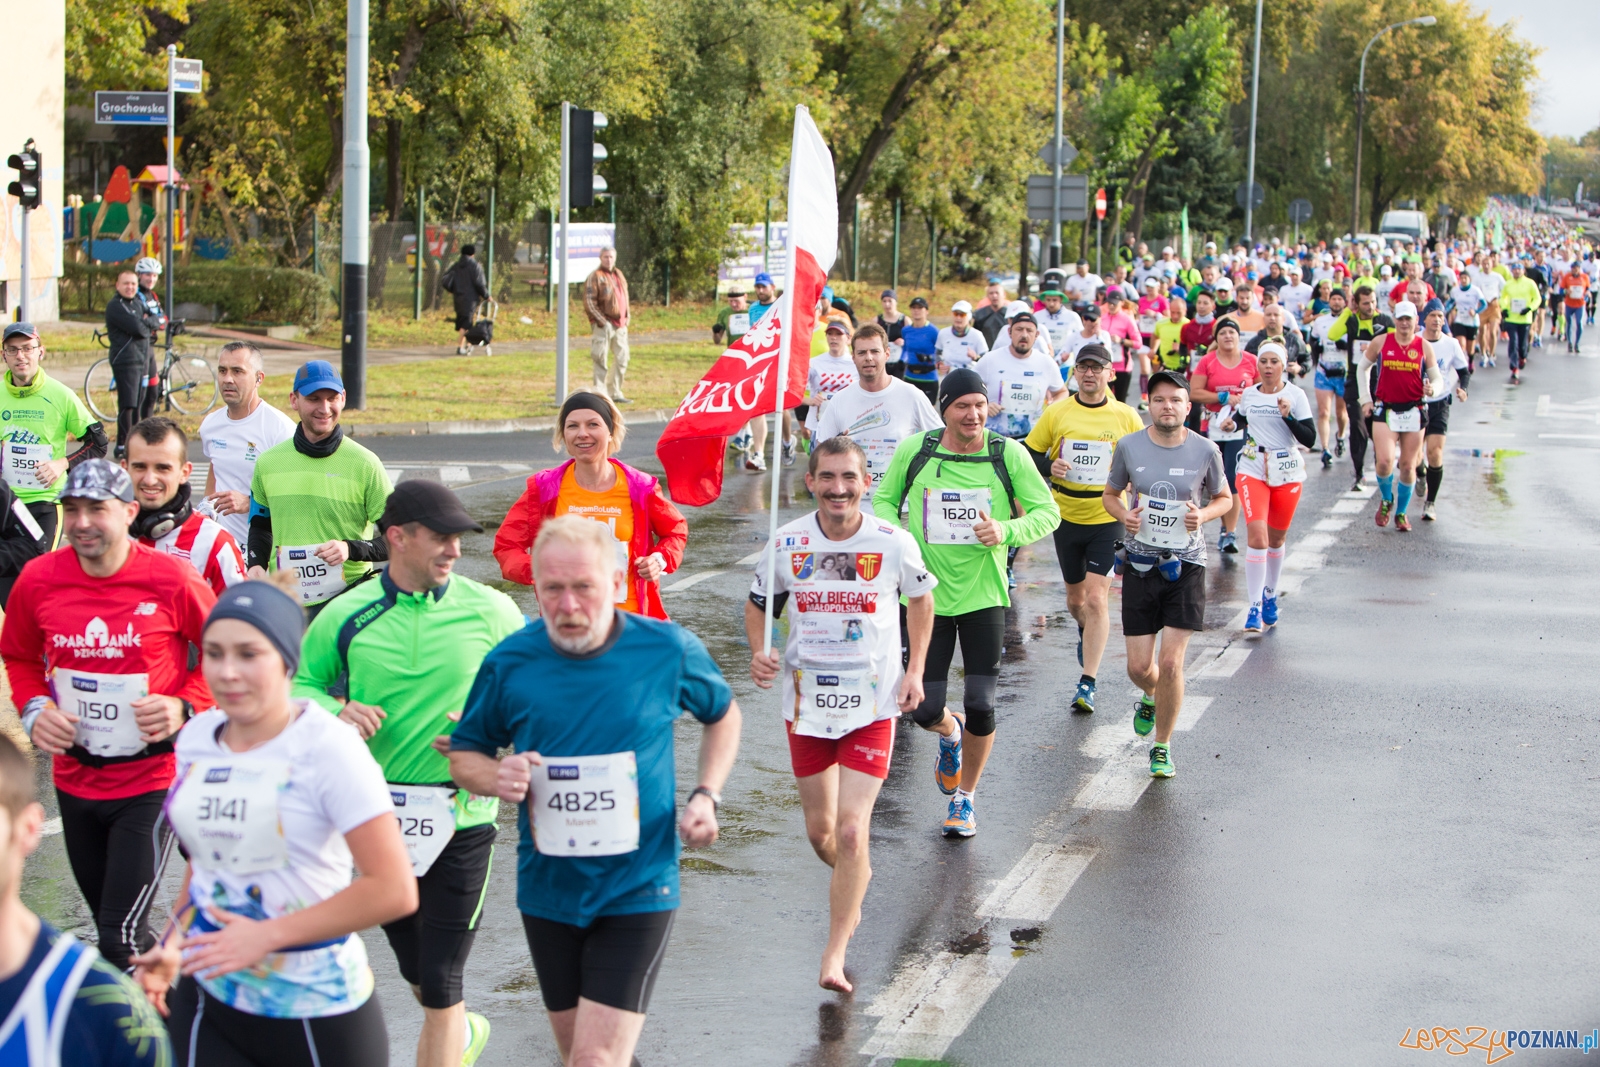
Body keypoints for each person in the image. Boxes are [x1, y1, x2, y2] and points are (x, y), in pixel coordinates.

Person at [449, 517, 741, 1067]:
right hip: (548, 889)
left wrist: (707, 795)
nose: (567, 603)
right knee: (579, 1055)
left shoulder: (664, 650)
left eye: (583, 586)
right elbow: (466, 754)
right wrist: (497, 776)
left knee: (593, 1059)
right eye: (552, 588)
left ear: (616, 583)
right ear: (534, 587)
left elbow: (723, 716)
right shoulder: (512, 661)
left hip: (638, 884)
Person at [130, 581, 417, 1066]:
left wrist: (266, 935)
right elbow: (207, 861)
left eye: (248, 654)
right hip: (210, 993)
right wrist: (171, 945)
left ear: (287, 660)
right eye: (215, 653)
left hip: (313, 1005)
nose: (227, 672)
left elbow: (393, 889)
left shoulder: (329, 748)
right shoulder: (197, 736)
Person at [295, 482, 524, 1067]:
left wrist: (493, 732)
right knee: (418, 970)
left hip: (463, 814)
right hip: (376, 817)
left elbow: (532, 694)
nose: (454, 549)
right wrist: (335, 710)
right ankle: (463, 1033)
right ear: (396, 538)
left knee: (443, 978)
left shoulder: (491, 610)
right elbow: (297, 686)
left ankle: (450, 1033)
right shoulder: (346, 613)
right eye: (441, 537)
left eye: (458, 538)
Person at [0, 459, 215, 971]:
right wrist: (34, 708)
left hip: (151, 782)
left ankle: (159, 1040)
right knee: (117, 931)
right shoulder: (39, 579)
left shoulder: (169, 578)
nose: (81, 523)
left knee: (118, 938)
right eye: (71, 510)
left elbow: (225, 652)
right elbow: (22, 656)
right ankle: (176, 1020)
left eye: (97, 509)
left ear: (128, 512)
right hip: (75, 781)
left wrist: (183, 704)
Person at [745, 436, 935, 992]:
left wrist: (915, 669)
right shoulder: (787, 541)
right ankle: (856, 879)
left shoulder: (893, 543)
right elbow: (760, 602)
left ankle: (834, 954)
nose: (838, 488)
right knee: (822, 833)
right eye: (827, 477)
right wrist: (759, 650)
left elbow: (921, 600)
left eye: (848, 477)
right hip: (805, 704)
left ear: (865, 482)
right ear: (810, 482)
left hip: (872, 702)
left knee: (853, 832)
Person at [871, 368, 1059, 836]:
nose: (973, 414)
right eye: (962, 405)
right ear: (945, 409)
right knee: (923, 708)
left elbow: (1047, 512)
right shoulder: (917, 451)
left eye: (979, 404)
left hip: (983, 595)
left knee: (981, 702)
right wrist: (899, 544)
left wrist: (1006, 531)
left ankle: (964, 799)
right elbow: (882, 501)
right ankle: (949, 734)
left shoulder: (1006, 454)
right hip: (924, 598)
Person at [0, 732, 172, 1066]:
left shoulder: (105, 1015)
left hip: (144, 782)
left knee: (121, 937)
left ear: (29, 828)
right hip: (80, 783)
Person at [1101, 371, 1231, 779]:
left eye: (1175, 399)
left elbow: (1224, 498)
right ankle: (1151, 694)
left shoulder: (1206, 449)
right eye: (1159, 400)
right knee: (1140, 669)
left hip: (1187, 564)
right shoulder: (1129, 446)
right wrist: (1125, 515)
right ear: (1149, 404)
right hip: (1140, 564)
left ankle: (1162, 745)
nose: (1167, 406)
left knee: (1172, 663)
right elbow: (1110, 494)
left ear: (1187, 406)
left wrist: (1203, 515)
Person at [1023, 344, 1144, 714]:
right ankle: (1084, 629)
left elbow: (1143, 461)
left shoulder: (1126, 416)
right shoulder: (1057, 412)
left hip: (1107, 517)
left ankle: (1087, 682)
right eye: (1082, 368)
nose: (1089, 374)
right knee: (1076, 602)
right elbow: (1029, 454)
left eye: (1097, 368)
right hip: (1065, 516)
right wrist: (1050, 466)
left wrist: (1138, 502)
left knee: (1096, 599)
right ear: (1074, 373)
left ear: (1110, 373)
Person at [495, 392, 687, 619]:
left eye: (593, 424)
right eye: (572, 426)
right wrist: (537, 568)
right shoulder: (544, 489)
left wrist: (658, 560)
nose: (582, 433)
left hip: (630, 623)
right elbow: (506, 546)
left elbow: (675, 531)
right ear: (563, 434)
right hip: (568, 622)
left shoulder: (640, 488)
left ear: (610, 431)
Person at [247, 360, 393, 613]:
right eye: (314, 398)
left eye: (332, 398)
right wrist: (256, 563)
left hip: (349, 603)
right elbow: (261, 525)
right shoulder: (268, 463)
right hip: (286, 602)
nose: (324, 408)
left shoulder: (366, 464)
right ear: (294, 400)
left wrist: (350, 548)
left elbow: (397, 540)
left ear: (343, 398)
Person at [0, 322, 109, 604]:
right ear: (4, 356)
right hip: (6, 504)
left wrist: (62, 464)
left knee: (36, 577)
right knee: (9, 590)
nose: (21, 356)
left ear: (41, 352)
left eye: (27, 349)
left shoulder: (60, 395)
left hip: (44, 503)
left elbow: (98, 443)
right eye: (13, 350)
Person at [1214, 343, 1316, 634]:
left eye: (1274, 361)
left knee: (1276, 539)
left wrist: (1289, 417)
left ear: (1283, 365)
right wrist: (1234, 424)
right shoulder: (1249, 393)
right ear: (1257, 366)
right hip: (1253, 466)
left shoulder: (1295, 395)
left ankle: (1270, 593)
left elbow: (1309, 438)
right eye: (1263, 362)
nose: (1268, 366)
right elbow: (1245, 417)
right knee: (1257, 538)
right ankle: (1254, 606)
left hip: (1286, 468)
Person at [813, 324, 942, 499]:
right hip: (855, 507)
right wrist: (837, 449)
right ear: (853, 357)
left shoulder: (911, 395)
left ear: (887, 354)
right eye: (862, 353)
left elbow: (942, 441)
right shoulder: (840, 400)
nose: (868, 358)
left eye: (875, 351)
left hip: (900, 508)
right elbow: (820, 452)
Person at [125, 416, 246, 595]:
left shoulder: (215, 544)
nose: (150, 479)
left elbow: (239, 619)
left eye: (162, 468)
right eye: (140, 467)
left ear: (185, 472)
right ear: (124, 468)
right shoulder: (106, 535)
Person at [200, 340, 298, 547]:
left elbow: (297, 499)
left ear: (258, 378)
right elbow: (216, 468)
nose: (228, 379)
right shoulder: (210, 425)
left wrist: (250, 503)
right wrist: (206, 508)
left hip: (267, 550)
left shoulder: (280, 430)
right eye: (222, 371)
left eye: (237, 371)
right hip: (222, 548)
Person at [1357, 300, 1444, 532]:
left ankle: (1402, 513)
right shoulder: (1382, 342)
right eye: (1401, 319)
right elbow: (1361, 367)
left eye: (1409, 319)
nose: (1404, 323)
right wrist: (1365, 399)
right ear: (1395, 320)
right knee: (1384, 462)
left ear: (1416, 322)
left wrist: (1432, 389)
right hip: (1385, 409)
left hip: (1414, 410)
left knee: (1407, 466)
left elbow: (1437, 378)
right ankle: (1386, 499)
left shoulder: (1424, 346)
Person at [1187, 319, 1258, 554]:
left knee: (1232, 477)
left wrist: (1245, 400)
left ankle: (1229, 532)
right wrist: (1223, 398)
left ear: (1239, 337)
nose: (1228, 336)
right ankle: (1197, 526)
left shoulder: (1250, 360)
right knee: (1206, 479)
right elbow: (1194, 392)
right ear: (1216, 338)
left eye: (1232, 332)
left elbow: (1262, 390)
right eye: (1223, 333)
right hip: (1212, 426)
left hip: (1240, 426)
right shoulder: (1208, 361)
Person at [1325, 286, 1395, 490]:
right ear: (1356, 302)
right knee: (1357, 426)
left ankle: (1382, 465)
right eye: (1365, 303)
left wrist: (1376, 348)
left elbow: (1396, 346)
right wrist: (1348, 310)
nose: (1370, 306)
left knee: (1378, 428)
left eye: (1373, 302)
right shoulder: (1351, 319)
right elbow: (1332, 334)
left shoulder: (1385, 321)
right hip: (1355, 380)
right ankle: (1359, 473)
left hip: (1381, 382)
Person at [1416, 300, 1471, 521]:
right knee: (1413, 458)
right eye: (1433, 315)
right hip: (1416, 403)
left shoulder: (1451, 344)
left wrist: (1463, 389)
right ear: (1425, 319)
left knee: (1435, 453)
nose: (1437, 320)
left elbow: (1464, 371)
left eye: (1441, 316)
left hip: (1441, 403)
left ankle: (1430, 502)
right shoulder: (1415, 341)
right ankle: (1419, 473)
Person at [104, 271, 162, 453]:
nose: (130, 287)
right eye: (126, 284)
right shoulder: (115, 306)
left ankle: (136, 443)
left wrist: (149, 323)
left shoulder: (137, 303)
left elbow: (160, 318)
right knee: (128, 404)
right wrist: (147, 325)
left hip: (142, 358)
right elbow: (139, 328)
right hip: (125, 360)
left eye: (133, 284)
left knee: (139, 402)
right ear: (118, 285)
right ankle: (122, 444)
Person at [1308, 289, 1350, 468]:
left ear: (1345, 302)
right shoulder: (1320, 321)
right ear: (1329, 301)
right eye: (1334, 299)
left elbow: (1357, 346)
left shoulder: (1350, 321)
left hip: (1343, 373)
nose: (1336, 302)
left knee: (1341, 413)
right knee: (1324, 412)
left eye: (1340, 299)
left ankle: (1340, 436)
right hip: (1324, 371)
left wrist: (1346, 346)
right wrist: (1316, 348)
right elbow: (1313, 340)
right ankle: (1325, 449)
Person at [583, 247, 631, 400]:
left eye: (610, 257)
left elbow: (625, 296)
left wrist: (627, 315)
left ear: (615, 258)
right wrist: (602, 321)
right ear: (600, 258)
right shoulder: (595, 277)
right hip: (604, 324)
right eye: (605, 257)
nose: (608, 260)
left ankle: (615, 391)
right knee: (600, 358)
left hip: (620, 324)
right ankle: (600, 394)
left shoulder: (619, 275)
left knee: (623, 358)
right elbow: (589, 302)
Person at [132, 258, 167, 425]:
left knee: (153, 392)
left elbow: (163, 319)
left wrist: (156, 320)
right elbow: (142, 322)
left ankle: (148, 430)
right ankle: (137, 432)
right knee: (142, 393)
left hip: (150, 347)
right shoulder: (136, 295)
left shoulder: (152, 295)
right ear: (139, 275)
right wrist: (155, 321)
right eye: (147, 275)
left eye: (154, 275)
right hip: (139, 349)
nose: (151, 279)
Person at [442, 244, 491, 357]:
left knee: (463, 322)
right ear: (472, 254)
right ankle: (460, 347)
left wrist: (452, 289)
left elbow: (445, 279)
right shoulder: (475, 266)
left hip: (458, 297)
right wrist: (486, 295)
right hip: (470, 299)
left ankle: (468, 346)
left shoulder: (456, 265)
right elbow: (479, 283)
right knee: (466, 323)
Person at [1499, 261, 1539, 384]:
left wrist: (1530, 308)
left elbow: (1537, 298)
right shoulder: (1508, 284)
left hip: (1524, 319)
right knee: (1513, 342)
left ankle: (1523, 357)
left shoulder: (1530, 283)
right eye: (1514, 269)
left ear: (1523, 271)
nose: (1516, 271)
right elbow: (1503, 297)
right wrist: (1504, 308)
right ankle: (1514, 367)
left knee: (1522, 344)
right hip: (1511, 318)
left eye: (1519, 269)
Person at [900, 296, 941, 404]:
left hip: (928, 378)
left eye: (920, 308)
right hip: (910, 377)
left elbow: (941, 353)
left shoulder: (934, 331)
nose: (916, 310)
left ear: (926, 311)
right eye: (913, 308)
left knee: (928, 414)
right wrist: (901, 360)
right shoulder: (906, 330)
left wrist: (929, 358)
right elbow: (905, 349)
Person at [935, 299, 989, 376]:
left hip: (970, 378)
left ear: (969, 316)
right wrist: (940, 364)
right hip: (949, 378)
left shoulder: (976, 335)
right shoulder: (943, 333)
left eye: (962, 315)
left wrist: (976, 357)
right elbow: (937, 354)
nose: (958, 318)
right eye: (955, 314)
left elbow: (987, 360)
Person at [1446, 273, 1486, 366]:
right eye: (1462, 278)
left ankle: (1471, 361)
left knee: (1470, 348)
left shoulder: (1475, 290)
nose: (1463, 280)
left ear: (1469, 279)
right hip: (1459, 319)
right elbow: (1450, 302)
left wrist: (1475, 311)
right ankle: (1462, 364)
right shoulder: (1455, 290)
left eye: (1465, 278)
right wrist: (1446, 309)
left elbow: (1484, 304)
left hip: (1472, 321)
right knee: (1461, 343)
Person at [1558, 260, 1590, 353]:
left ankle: (1577, 343)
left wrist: (1587, 293)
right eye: (1573, 269)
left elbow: (1588, 289)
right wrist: (1566, 291)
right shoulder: (1567, 277)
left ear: (1580, 269)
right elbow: (1561, 290)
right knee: (1569, 323)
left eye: (1577, 269)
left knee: (1579, 323)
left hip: (1580, 304)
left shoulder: (1584, 277)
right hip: (1569, 304)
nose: (1575, 270)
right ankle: (1570, 343)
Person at [876, 289, 908, 378]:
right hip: (882, 362)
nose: (887, 304)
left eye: (890, 301)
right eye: (884, 301)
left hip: (900, 363)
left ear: (896, 302)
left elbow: (911, 342)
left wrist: (903, 341)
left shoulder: (904, 320)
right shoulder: (877, 320)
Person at [971, 280, 1010, 348]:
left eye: (997, 293)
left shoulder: (1010, 314)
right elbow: (975, 336)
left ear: (1004, 294)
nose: (994, 296)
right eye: (991, 293)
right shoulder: (980, 314)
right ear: (987, 295)